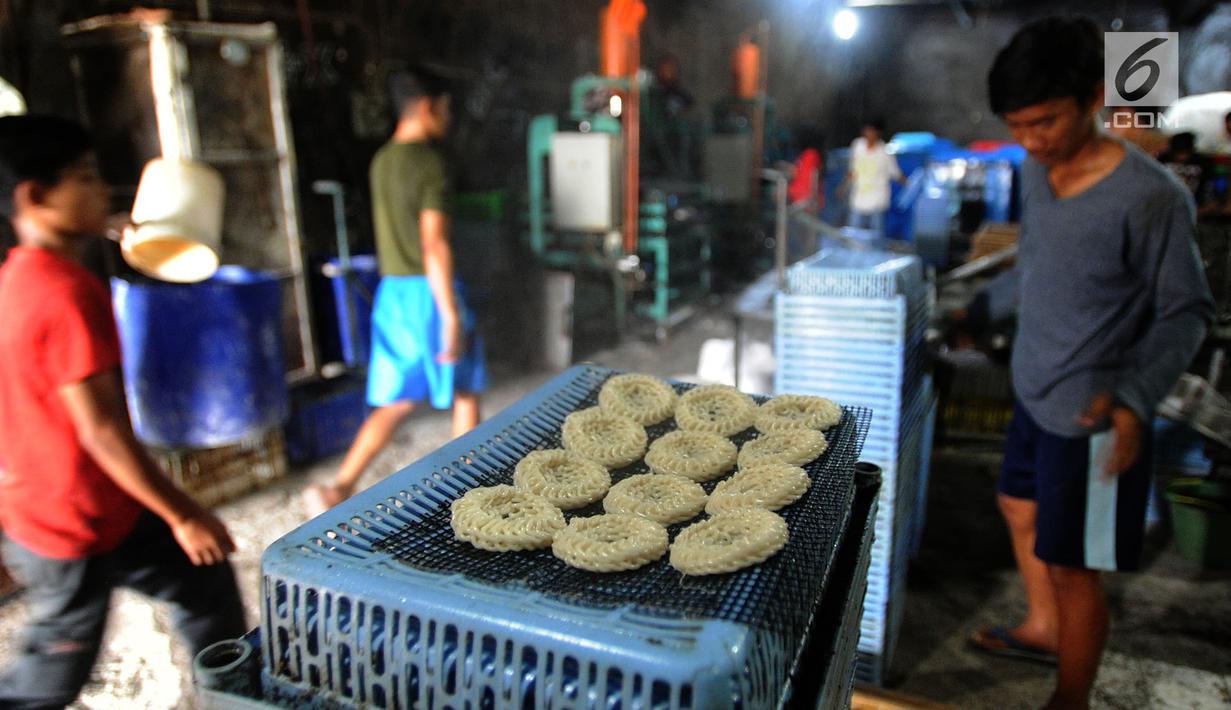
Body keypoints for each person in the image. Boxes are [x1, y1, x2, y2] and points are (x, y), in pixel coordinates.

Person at [959, 18, 1213, 710]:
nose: (1031, 141)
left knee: (1075, 567)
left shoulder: (1151, 197)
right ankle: (1044, 628)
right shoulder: (1034, 172)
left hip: (1093, 415)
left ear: (1094, 98)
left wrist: (1132, 400)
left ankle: (1070, 698)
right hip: (1035, 390)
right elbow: (1039, 264)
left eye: (1045, 121)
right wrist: (979, 311)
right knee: (1018, 506)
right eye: (1017, 126)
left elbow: (1188, 311)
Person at [0, 114, 246, 708]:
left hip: (97, 502)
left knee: (204, 579)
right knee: (50, 675)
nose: (102, 190)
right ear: (35, 196)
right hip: (71, 521)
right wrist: (182, 512)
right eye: (85, 178)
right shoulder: (66, 294)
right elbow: (102, 430)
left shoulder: (21, 277)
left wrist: (118, 228)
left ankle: (231, 695)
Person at [304, 68, 486, 516]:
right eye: (446, 109)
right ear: (427, 106)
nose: (449, 118)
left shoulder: (382, 160)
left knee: (397, 400)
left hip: (394, 295)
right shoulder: (431, 163)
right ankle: (467, 494)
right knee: (464, 390)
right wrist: (450, 315)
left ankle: (339, 486)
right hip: (431, 294)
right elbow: (433, 243)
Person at [842, 118, 903, 236]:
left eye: (872, 131)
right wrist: (843, 186)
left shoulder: (884, 152)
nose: (869, 134)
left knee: (876, 235)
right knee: (853, 235)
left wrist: (909, 184)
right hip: (859, 200)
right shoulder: (858, 146)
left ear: (878, 133)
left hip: (877, 201)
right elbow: (852, 170)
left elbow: (896, 174)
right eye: (867, 131)